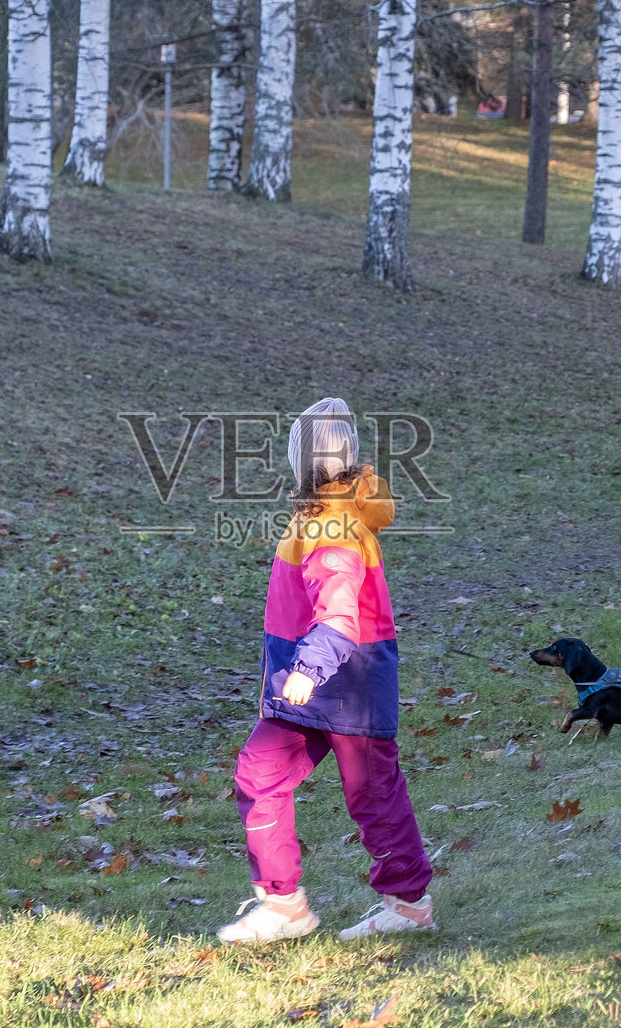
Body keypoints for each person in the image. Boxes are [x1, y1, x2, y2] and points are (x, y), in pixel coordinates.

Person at [217, 397, 434, 944]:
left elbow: (338, 612)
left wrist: (307, 669)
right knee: (260, 773)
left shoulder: (331, 525)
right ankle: (283, 905)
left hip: (345, 682)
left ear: (304, 462)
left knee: (373, 794)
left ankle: (409, 906)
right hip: (309, 688)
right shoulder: (317, 514)